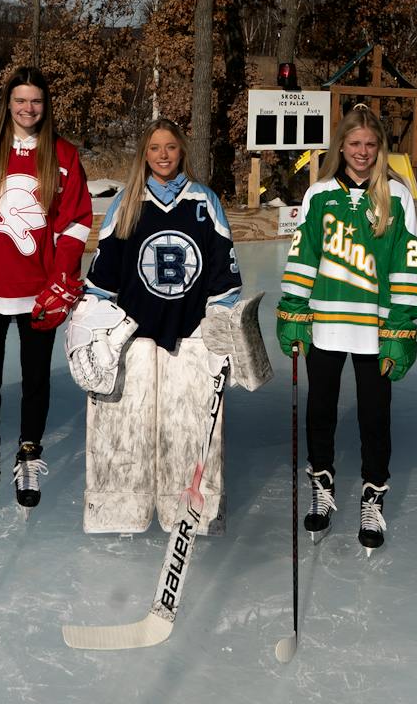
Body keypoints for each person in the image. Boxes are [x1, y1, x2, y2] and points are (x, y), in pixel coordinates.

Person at [66, 119, 271, 535]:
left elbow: (223, 273)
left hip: (190, 337)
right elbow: (104, 275)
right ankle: (120, 507)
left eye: (171, 147)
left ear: (182, 152)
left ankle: (193, 507)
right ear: (144, 153)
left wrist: (220, 327)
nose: (163, 155)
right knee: (128, 429)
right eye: (155, 147)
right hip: (133, 339)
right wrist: (92, 323)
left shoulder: (204, 201)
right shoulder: (127, 203)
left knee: (188, 429)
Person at [275, 103, 417, 553]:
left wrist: (401, 327)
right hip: (325, 327)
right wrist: (293, 311)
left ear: (380, 150)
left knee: (375, 418)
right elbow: (304, 258)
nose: (362, 151)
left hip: (374, 330)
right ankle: (323, 489)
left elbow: (405, 263)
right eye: (355, 144)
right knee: (320, 412)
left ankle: (372, 498)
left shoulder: (397, 197)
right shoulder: (318, 194)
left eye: (370, 145)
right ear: (342, 146)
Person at [0, 67, 92, 514]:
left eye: (37, 102)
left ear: (46, 107)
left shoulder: (63, 155)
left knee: (35, 379)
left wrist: (61, 278)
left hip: (37, 291)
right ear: (7, 103)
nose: (28, 109)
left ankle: (29, 453)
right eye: (21, 100)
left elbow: (76, 221)